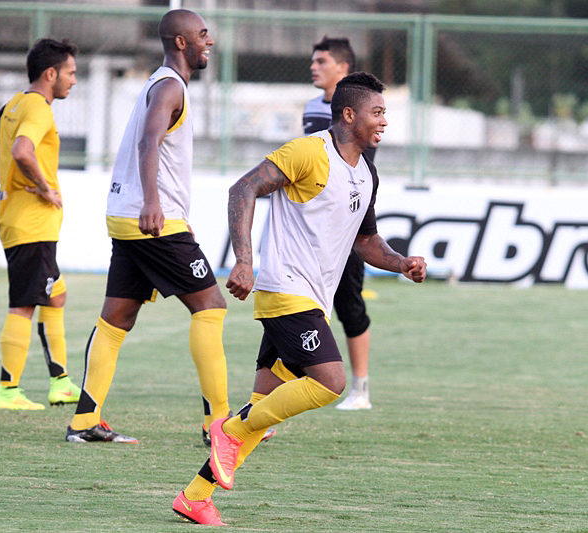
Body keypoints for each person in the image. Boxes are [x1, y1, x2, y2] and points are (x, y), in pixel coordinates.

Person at [172, 72, 427, 525]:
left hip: (313, 300)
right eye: (378, 112)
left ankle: (195, 496)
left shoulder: (366, 171)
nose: (385, 121)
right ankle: (226, 428)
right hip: (286, 291)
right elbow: (243, 188)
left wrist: (401, 262)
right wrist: (244, 261)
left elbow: (366, 241)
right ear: (349, 115)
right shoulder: (309, 152)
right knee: (331, 381)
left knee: (265, 412)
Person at [64, 9, 230, 444]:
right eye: (202, 34)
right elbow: (148, 140)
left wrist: (172, 212)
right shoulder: (171, 86)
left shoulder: (162, 83)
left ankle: (84, 422)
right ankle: (220, 423)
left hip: (128, 216)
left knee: (117, 316)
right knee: (211, 306)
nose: (209, 41)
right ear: (180, 41)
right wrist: (156, 204)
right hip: (149, 218)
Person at [0, 38, 82, 410]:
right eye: (70, 73)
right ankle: (8, 390)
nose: (74, 80)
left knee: (55, 294)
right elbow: (22, 150)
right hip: (31, 223)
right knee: (23, 303)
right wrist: (43, 187)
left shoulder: (15, 104)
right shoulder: (38, 109)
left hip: (21, 219)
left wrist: (4, 177)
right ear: (50, 74)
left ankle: (61, 382)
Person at [305, 36, 374, 410]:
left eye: (322, 61)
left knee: (349, 303)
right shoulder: (312, 107)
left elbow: (357, 162)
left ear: (342, 69)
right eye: (313, 61)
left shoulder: (360, 111)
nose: (314, 66)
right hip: (314, 224)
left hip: (345, 219)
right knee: (301, 303)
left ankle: (360, 390)